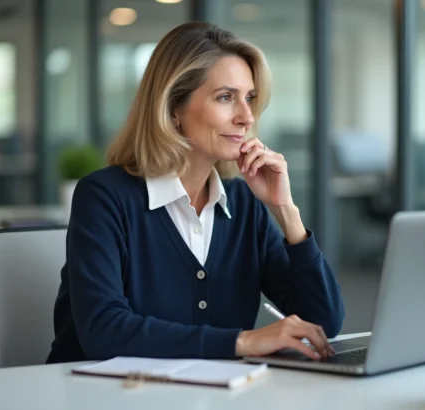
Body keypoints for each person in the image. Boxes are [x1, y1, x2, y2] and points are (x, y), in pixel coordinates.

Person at [46, 21, 345, 364]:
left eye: (249, 98)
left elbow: (324, 324)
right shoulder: (104, 198)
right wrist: (243, 342)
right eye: (225, 98)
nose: (246, 117)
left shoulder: (243, 203)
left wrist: (286, 211)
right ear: (174, 108)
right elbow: (104, 331)